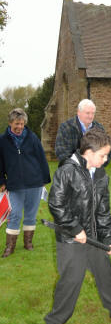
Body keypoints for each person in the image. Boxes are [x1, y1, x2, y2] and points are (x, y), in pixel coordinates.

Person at [44, 129, 111, 324]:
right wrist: (75, 229)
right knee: (72, 279)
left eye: (107, 155)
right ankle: (54, 321)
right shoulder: (67, 171)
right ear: (88, 152)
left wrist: (110, 240)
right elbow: (56, 205)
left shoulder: (102, 175)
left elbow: (103, 211)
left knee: (106, 275)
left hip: (95, 238)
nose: (106, 160)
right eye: (102, 155)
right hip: (71, 239)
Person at [0, 108, 51, 257]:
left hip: (34, 183)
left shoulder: (32, 137)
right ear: (10, 123)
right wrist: (1, 181)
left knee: (30, 214)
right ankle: (10, 246)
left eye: (22, 124)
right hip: (14, 185)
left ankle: (28, 242)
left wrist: (44, 179)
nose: (20, 127)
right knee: (15, 214)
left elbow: (41, 158)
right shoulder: (2, 141)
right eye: (17, 123)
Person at [55, 98, 110, 164]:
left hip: (95, 171)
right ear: (79, 112)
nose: (90, 116)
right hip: (71, 172)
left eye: (93, 113)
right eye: (87, 113)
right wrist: (83, 163)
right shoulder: (66, 127)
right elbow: (61, 153)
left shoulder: (99, 128)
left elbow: (107, 152)